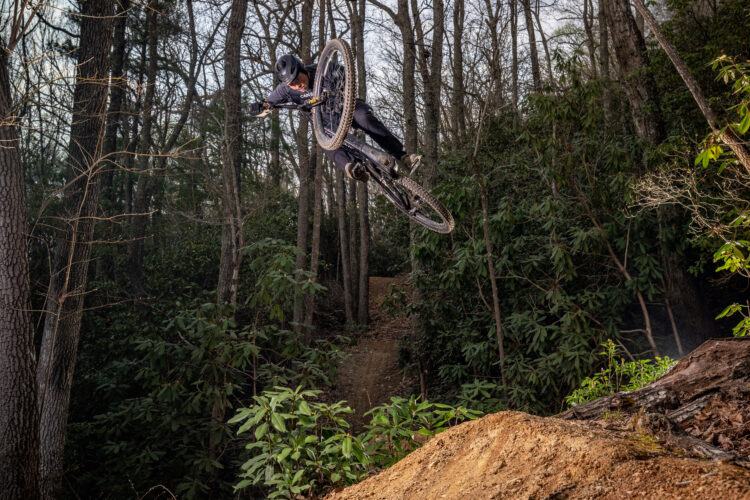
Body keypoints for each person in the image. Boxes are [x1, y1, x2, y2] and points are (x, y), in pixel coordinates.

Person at [249, 54, 421, 182]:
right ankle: (351, 168)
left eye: (298, 80)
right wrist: (258, 108)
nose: (297, 86)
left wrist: (340, 88)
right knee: (325, 141)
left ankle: (403, 157)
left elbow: (348, 77)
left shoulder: (323, 70)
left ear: (303, 70)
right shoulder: (286, 90)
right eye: (292, 84)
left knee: (364, 118)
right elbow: (267, 106)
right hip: (328, 123)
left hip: (347, 107)